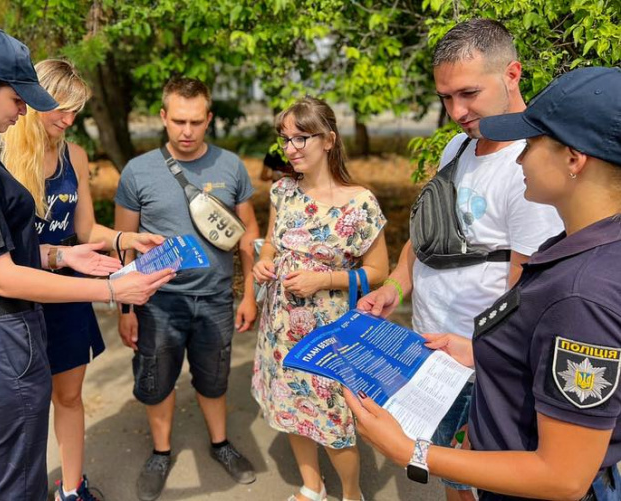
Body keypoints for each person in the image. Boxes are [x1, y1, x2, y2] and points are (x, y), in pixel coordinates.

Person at [0, 28, 174, 501]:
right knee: (16, 483)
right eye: (16, 97)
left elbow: (2, 252)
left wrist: (63, 254)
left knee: (0, 472)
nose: (23, 109)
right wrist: (113, 290)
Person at [345, 65, 621, 501]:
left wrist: (411, 452)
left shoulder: (580, 294)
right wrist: (479, 352)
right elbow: (538, 347)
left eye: (531, 144)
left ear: (574, 158)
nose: (521, 156)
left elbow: (563, 476)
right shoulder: (580, 246)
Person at [356, 19, 562, 501]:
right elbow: (428, 237)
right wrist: (395, 287)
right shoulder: (460, 145)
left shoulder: (529, 169)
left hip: (482, 364)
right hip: (434, 350)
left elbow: (524, 296)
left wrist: (494, 380)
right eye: (446, 98)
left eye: (468, 93)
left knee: (482, 479)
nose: (456, 111)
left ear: (512, 73)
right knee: (452, 476)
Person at [0, 59, 163, 501]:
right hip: (16, 297)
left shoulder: (75, 155)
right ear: (32, 102)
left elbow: (87, 230)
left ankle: (71, 489)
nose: (69, 121)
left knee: (68, 398)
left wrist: (128, 236)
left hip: (69, 293)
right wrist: (58, 255)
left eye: (76, 111)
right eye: (61, 109)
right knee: (22, 407)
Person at [114, 77, 260, 501]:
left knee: (213, 380)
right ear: (163, 117)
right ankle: (161, 453)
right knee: (157, 382)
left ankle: (220, 444)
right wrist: (124, 311)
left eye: (197, 121)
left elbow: (249, 234)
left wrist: (248, 294)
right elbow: (123, 244)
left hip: (215, 298)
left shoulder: (231, 166)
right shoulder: (137, 170)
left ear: (209, 118)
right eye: (178, 120)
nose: (187, 131)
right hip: (156, 302)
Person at [251, 96, 389, 501]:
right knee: (293, 412)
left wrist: (323, 280)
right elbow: (270, 248)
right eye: (285, 139)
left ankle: (350, 494)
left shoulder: (360, 202)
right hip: (279, 331)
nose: (290, 149)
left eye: (300, 139)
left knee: (334, 422)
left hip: (329, 336)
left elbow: (378, 272)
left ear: (328, 140)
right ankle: (312, 488)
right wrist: (263, 262)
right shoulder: (281, 192)